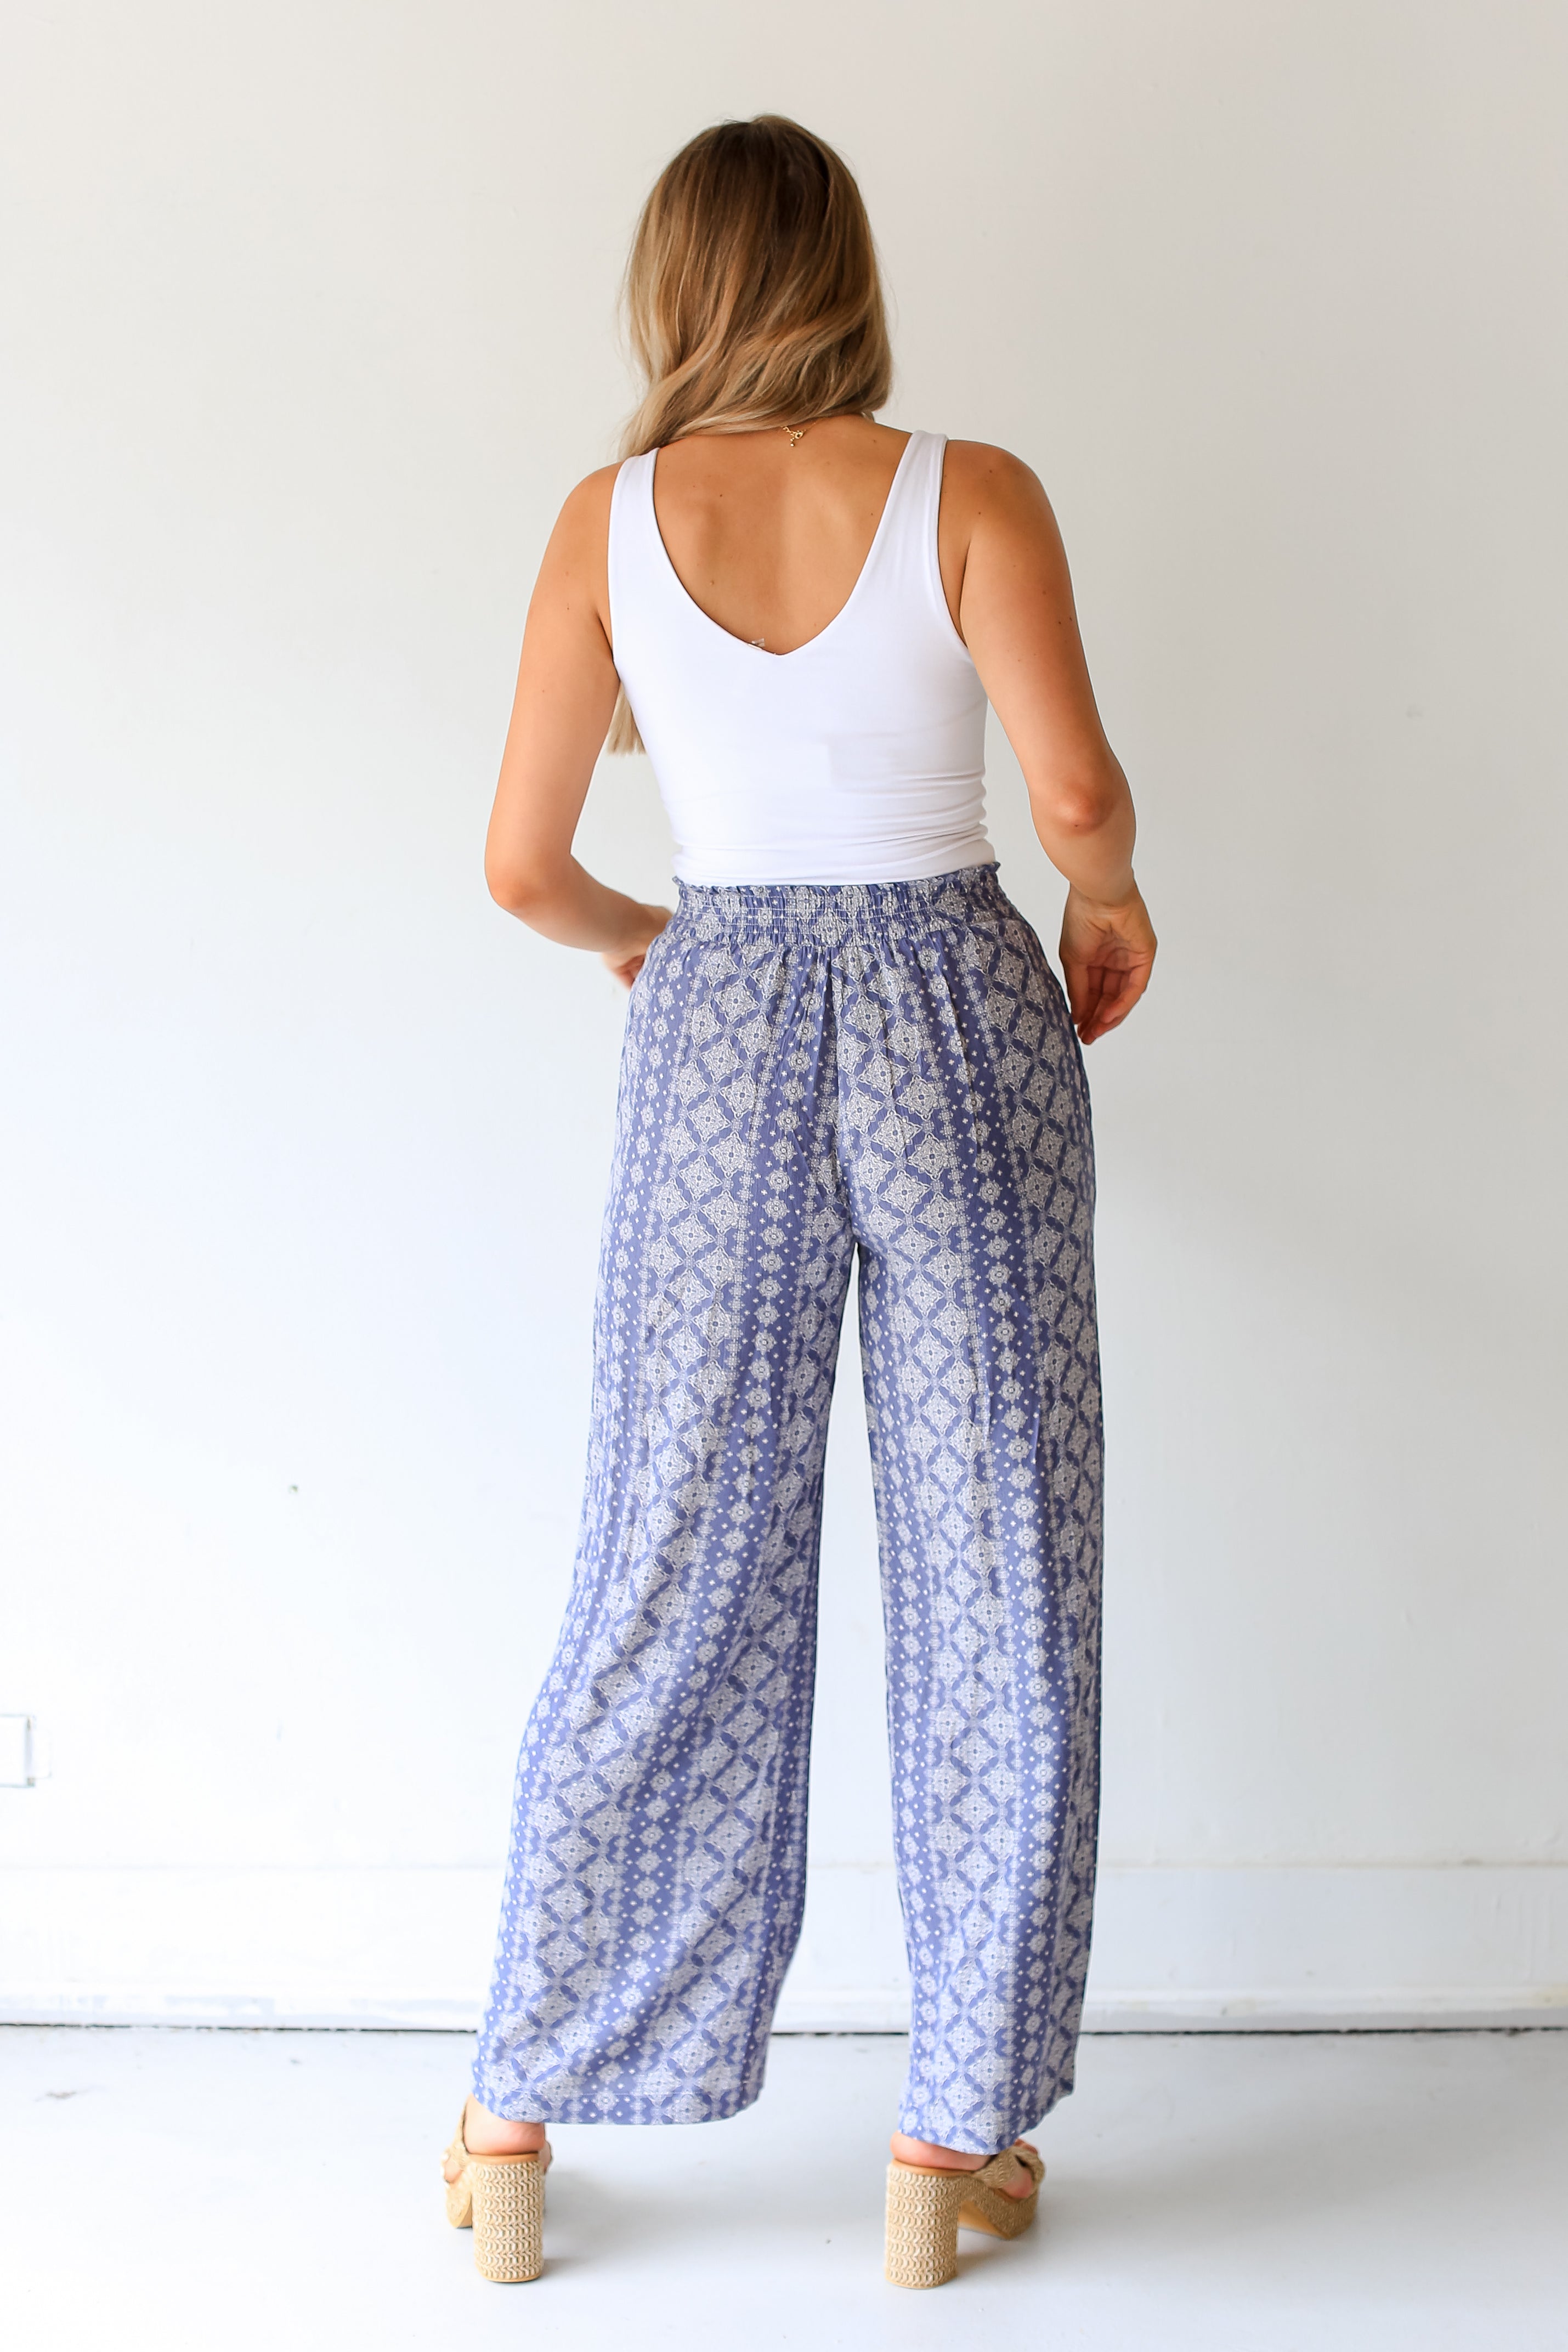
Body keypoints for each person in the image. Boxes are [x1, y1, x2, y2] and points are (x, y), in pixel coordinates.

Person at [440, 113, 1156, 2290]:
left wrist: (647, 941)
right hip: (954, 1000)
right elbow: (1070, 788)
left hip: (722, 1017)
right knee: (1001, 1550)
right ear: (844, 270)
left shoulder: (604, 522)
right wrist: (1106, 896)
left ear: (672, 286)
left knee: (669, 1550)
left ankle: (514, 2112)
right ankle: (949, 2139)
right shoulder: (970, 489)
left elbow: (519, 866)